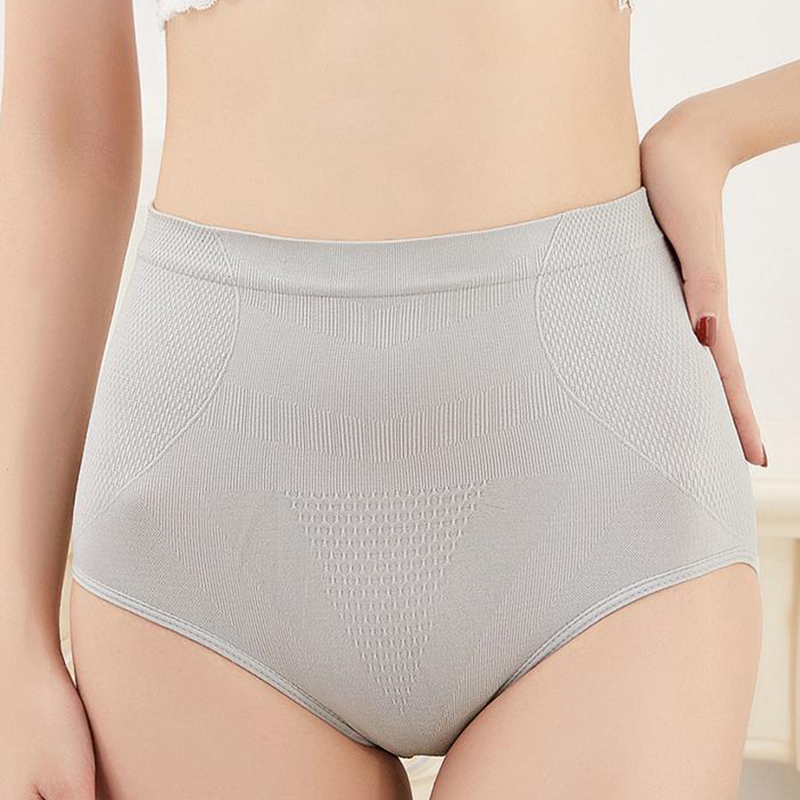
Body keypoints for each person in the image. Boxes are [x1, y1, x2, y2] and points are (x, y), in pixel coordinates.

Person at [0, 1, 796, 797]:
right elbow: (62, 136)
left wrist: (713, 131)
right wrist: (11, 641)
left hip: (599, 478)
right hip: (200, 526)